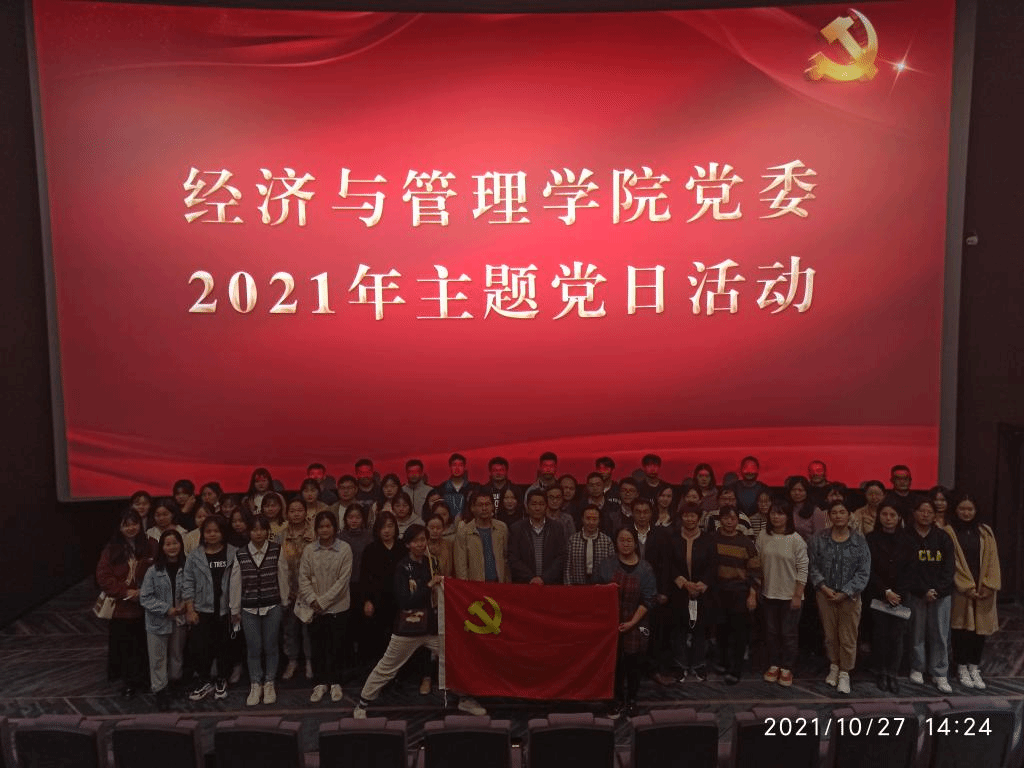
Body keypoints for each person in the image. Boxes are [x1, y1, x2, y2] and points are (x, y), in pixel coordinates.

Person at [353, 525, 486, 719]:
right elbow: (405, 601)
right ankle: (362, 703)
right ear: (407, 544)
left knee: (453, 659)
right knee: (387, 666)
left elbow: (438, 593)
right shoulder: (402, 567)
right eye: (415, 541)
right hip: (408, 628)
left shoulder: (432, 562)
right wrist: (429, 585)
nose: (420, 544)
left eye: (423, 540)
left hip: (432, 626)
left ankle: (465, 699)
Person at [808, 501, 871, 695]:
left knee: (848, 636)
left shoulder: (859, 540)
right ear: (829, 516)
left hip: (850, 596)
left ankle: (845, 672)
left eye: (842, 512)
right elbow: (812, 565)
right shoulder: (819, 538)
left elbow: (863, 571)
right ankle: (834, 665)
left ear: (849, 515)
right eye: (834, 512)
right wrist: (824, 588)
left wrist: (846, 592)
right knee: (830, 634)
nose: (838, 516)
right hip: (825, 593)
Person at [595, 527, 657, 719]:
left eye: (629, 540)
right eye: (622, 540)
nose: (626, 544)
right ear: (616, 542)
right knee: (613, 664)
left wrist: (632, 623)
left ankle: (631, 700)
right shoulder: (606, 565)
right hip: (610, 622)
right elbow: (595, 590)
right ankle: (615, 700)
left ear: (635, 543)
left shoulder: (645, 568)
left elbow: (648, 600)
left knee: (633, 664)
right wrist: (605, 589)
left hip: (636, 621)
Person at [96, 508, 154, 698]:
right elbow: (103, 577)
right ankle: (129, 683)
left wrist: (143, 592)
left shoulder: (151, 544)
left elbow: (160, 570)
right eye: (126, 525)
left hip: (147, 606)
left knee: (145, 646)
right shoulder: (111, 549)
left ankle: (146, 680)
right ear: (119, 527)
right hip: (122, 608)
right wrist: (125, 592)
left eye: (134, 523)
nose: (131, 528)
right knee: (125, 647)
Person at [230, 515, 287, 706]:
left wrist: (284, 601)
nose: (258, 533)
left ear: (267, 531)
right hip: (249, 609)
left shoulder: (277, 550)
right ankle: (255, 683)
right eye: (254, 529)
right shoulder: (240, 554)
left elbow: (283, 576)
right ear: (249, 532)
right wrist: (234, 609)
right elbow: (236, 582)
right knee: (253, 648)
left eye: (262, 529)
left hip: (272, 606)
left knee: (271, 646)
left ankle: (269, 682)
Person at [946, 493, 1001, 690]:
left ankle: (974, 667)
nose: (966, 513)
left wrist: (988, 585)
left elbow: (993, 558)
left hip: (984, 590)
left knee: (980, 631)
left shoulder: (985, 531)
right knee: (961, 630)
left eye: (970, 509)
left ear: (976, 511)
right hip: (961, 590)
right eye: (962, 509)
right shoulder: (949, 531)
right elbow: (952, 562)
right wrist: (966, 586)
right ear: (955, 510)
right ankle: (961, 667)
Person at [182, 514, 237, 701]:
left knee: (225, 647)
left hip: (226, 610)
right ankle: (205, 681)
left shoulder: (234, 553)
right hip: (202, 610)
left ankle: (221, 679)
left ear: (223, 533)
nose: (212, 534)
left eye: (216, 531)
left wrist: (236, 609)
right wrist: (190, 609)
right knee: (201, 648)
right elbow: (187, 583)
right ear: (202, 534)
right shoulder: (194, 556)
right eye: (208, 531)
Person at [301, 510, 353, 703]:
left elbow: (342, 581)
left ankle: (336, 683)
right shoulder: (309, 550)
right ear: (316, 529)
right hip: (314, 609)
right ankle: (320, 683)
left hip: (338, 607)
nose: (324, 530)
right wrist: (313, 600)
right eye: (321, 526)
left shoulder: (345, 549)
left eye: (328, 526)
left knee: (337, 647)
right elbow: (303, 578)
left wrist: (322, 602)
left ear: (334, 528)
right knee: (318, 647)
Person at [904, 497, 955, 692]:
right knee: (916, 632)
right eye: (922, 511)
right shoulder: (906, 536)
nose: (925, 515)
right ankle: (917, 667)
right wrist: (922, 590)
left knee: (940, 634)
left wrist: (937, 590)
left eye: (929, 512)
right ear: (914, 513)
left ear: (935, 515)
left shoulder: (943, 537)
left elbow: (949, 568)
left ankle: (939, 672)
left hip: (941, 594)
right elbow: (905, 568)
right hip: (916, 594)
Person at [756, 505, 808, 687]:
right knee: (771, 633)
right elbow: (757, 563)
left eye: (780, 513)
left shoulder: (796, 539)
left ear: (788, 517)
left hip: (790, 595)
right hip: (768, 593)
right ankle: (774, 664)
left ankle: (787, 667)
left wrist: (797, 595)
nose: (776, 517)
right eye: (773, 513)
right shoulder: (763, 536)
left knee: (788, 634)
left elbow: (803, 569)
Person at [664, 502, 715, 682]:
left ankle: (699, 665)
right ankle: (681, 665)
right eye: (686, 515)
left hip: (702, 592)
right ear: (681, 517)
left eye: (693, 515)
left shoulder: (708, 539)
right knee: (679, 629)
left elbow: (713, 565)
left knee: (700, 630)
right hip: (679, 591)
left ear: (699, 518)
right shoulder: (673, 538)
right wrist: (684, 583)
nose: (690, 519)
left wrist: (701, 585)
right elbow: (669, 564)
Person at [710, 506, 760, 684]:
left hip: (739, 592)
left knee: (739, 634)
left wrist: (752, 595)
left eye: (733, 518)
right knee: (721, 631)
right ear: (720, 520)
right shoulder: (712, 539)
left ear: (738, 521)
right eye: (726, 518)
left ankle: (736, 670)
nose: (729, 522)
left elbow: (755, 571)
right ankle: (723, 663)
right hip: (717, 592)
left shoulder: (746, 542)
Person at [866, 505, 912, 693]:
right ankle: (881, 672)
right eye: (884, 514)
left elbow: (912, 569)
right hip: (879, 595)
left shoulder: (908, 540)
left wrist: (897, 593)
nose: (888, 518)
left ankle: (893, 674)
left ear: (899, 517)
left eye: (892, 514)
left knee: (897, 636)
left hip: (901, 596)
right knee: (880, 635)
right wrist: (886, 591)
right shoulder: (870, 538)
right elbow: (868, 568)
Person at [140, 529, 187, 710]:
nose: (172, 547)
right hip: (158, 622)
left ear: (181, 545)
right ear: (162, 547)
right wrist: (167, 609)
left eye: (175, 543)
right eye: (168, 544)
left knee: (177, 655)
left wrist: (185, 606)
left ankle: (175, 684)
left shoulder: (187, 567)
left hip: (180, 620)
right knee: (157, 658)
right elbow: (145, 598)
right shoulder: (153, 570)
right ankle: (160, 690)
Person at [360, 511, 406, 663]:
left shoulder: (403, 548)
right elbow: (364, 579)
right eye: (382, 527)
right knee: (378, 642)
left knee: (399, 641)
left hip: (400, 602)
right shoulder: (370, 549)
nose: (386, 530)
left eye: (390, 526)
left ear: (395, 528)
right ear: (377, 530)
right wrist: (367, 601)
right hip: (378, 602)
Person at [279, 498, 315, 681]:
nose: (296, 514)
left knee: (308, 629)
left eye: (299, 510)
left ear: (305, 512)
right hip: (289, 590)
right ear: (287, 514)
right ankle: (292, 661)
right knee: (290, 629)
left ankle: (309, 661)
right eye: (292, 511)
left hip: (309, 591)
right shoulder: (281, 535)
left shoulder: (314, 533)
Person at [339, 504, 373, 676]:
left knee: (364, 627)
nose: (354, 520)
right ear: (345, 519)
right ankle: (348, 665)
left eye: (357, 517)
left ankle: (364, 665)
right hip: (344, 587)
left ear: (363, 519)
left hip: (363, 586)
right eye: (350, 517)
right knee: (347, 627)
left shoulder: (370, 537)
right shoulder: (339, 537)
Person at [509, 489, 568, 584]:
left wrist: (544, 578)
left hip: (550, 584)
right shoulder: (516, 528)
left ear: (546, 506)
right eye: (533, 504)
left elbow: (561, 557)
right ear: (527, 506)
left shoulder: (557, 528)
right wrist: (531, 578)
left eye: (541, 504)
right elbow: (513, 558)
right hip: (525, 583)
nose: (537, 508)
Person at [454, 490, 509, 583]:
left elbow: (506, 559)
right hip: (476, 586)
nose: (484, 508)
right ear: (472, 508)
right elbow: (461, 566)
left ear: (493, 506)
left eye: (487, 504)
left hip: (499, 583)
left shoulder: (501, 528)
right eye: (480, 505)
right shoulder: (464, 532)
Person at [565, 505, 615, 585]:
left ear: (599, 520)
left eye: (594, 519)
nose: (591, 522)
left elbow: (612, 568)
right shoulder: (573, 540)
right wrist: (568, 586)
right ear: (582, 519)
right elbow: (567, 568)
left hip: (600, 586)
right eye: (588, 519)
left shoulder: (607, 541)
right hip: (577, 586)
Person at [438, 453, 473, 522]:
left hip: (468, 525)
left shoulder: (472, 488)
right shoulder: (442, 488)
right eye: (454, 465)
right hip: (447, 525)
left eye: (460, 465)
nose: (457, 468)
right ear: (450, 467)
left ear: (464, 467)